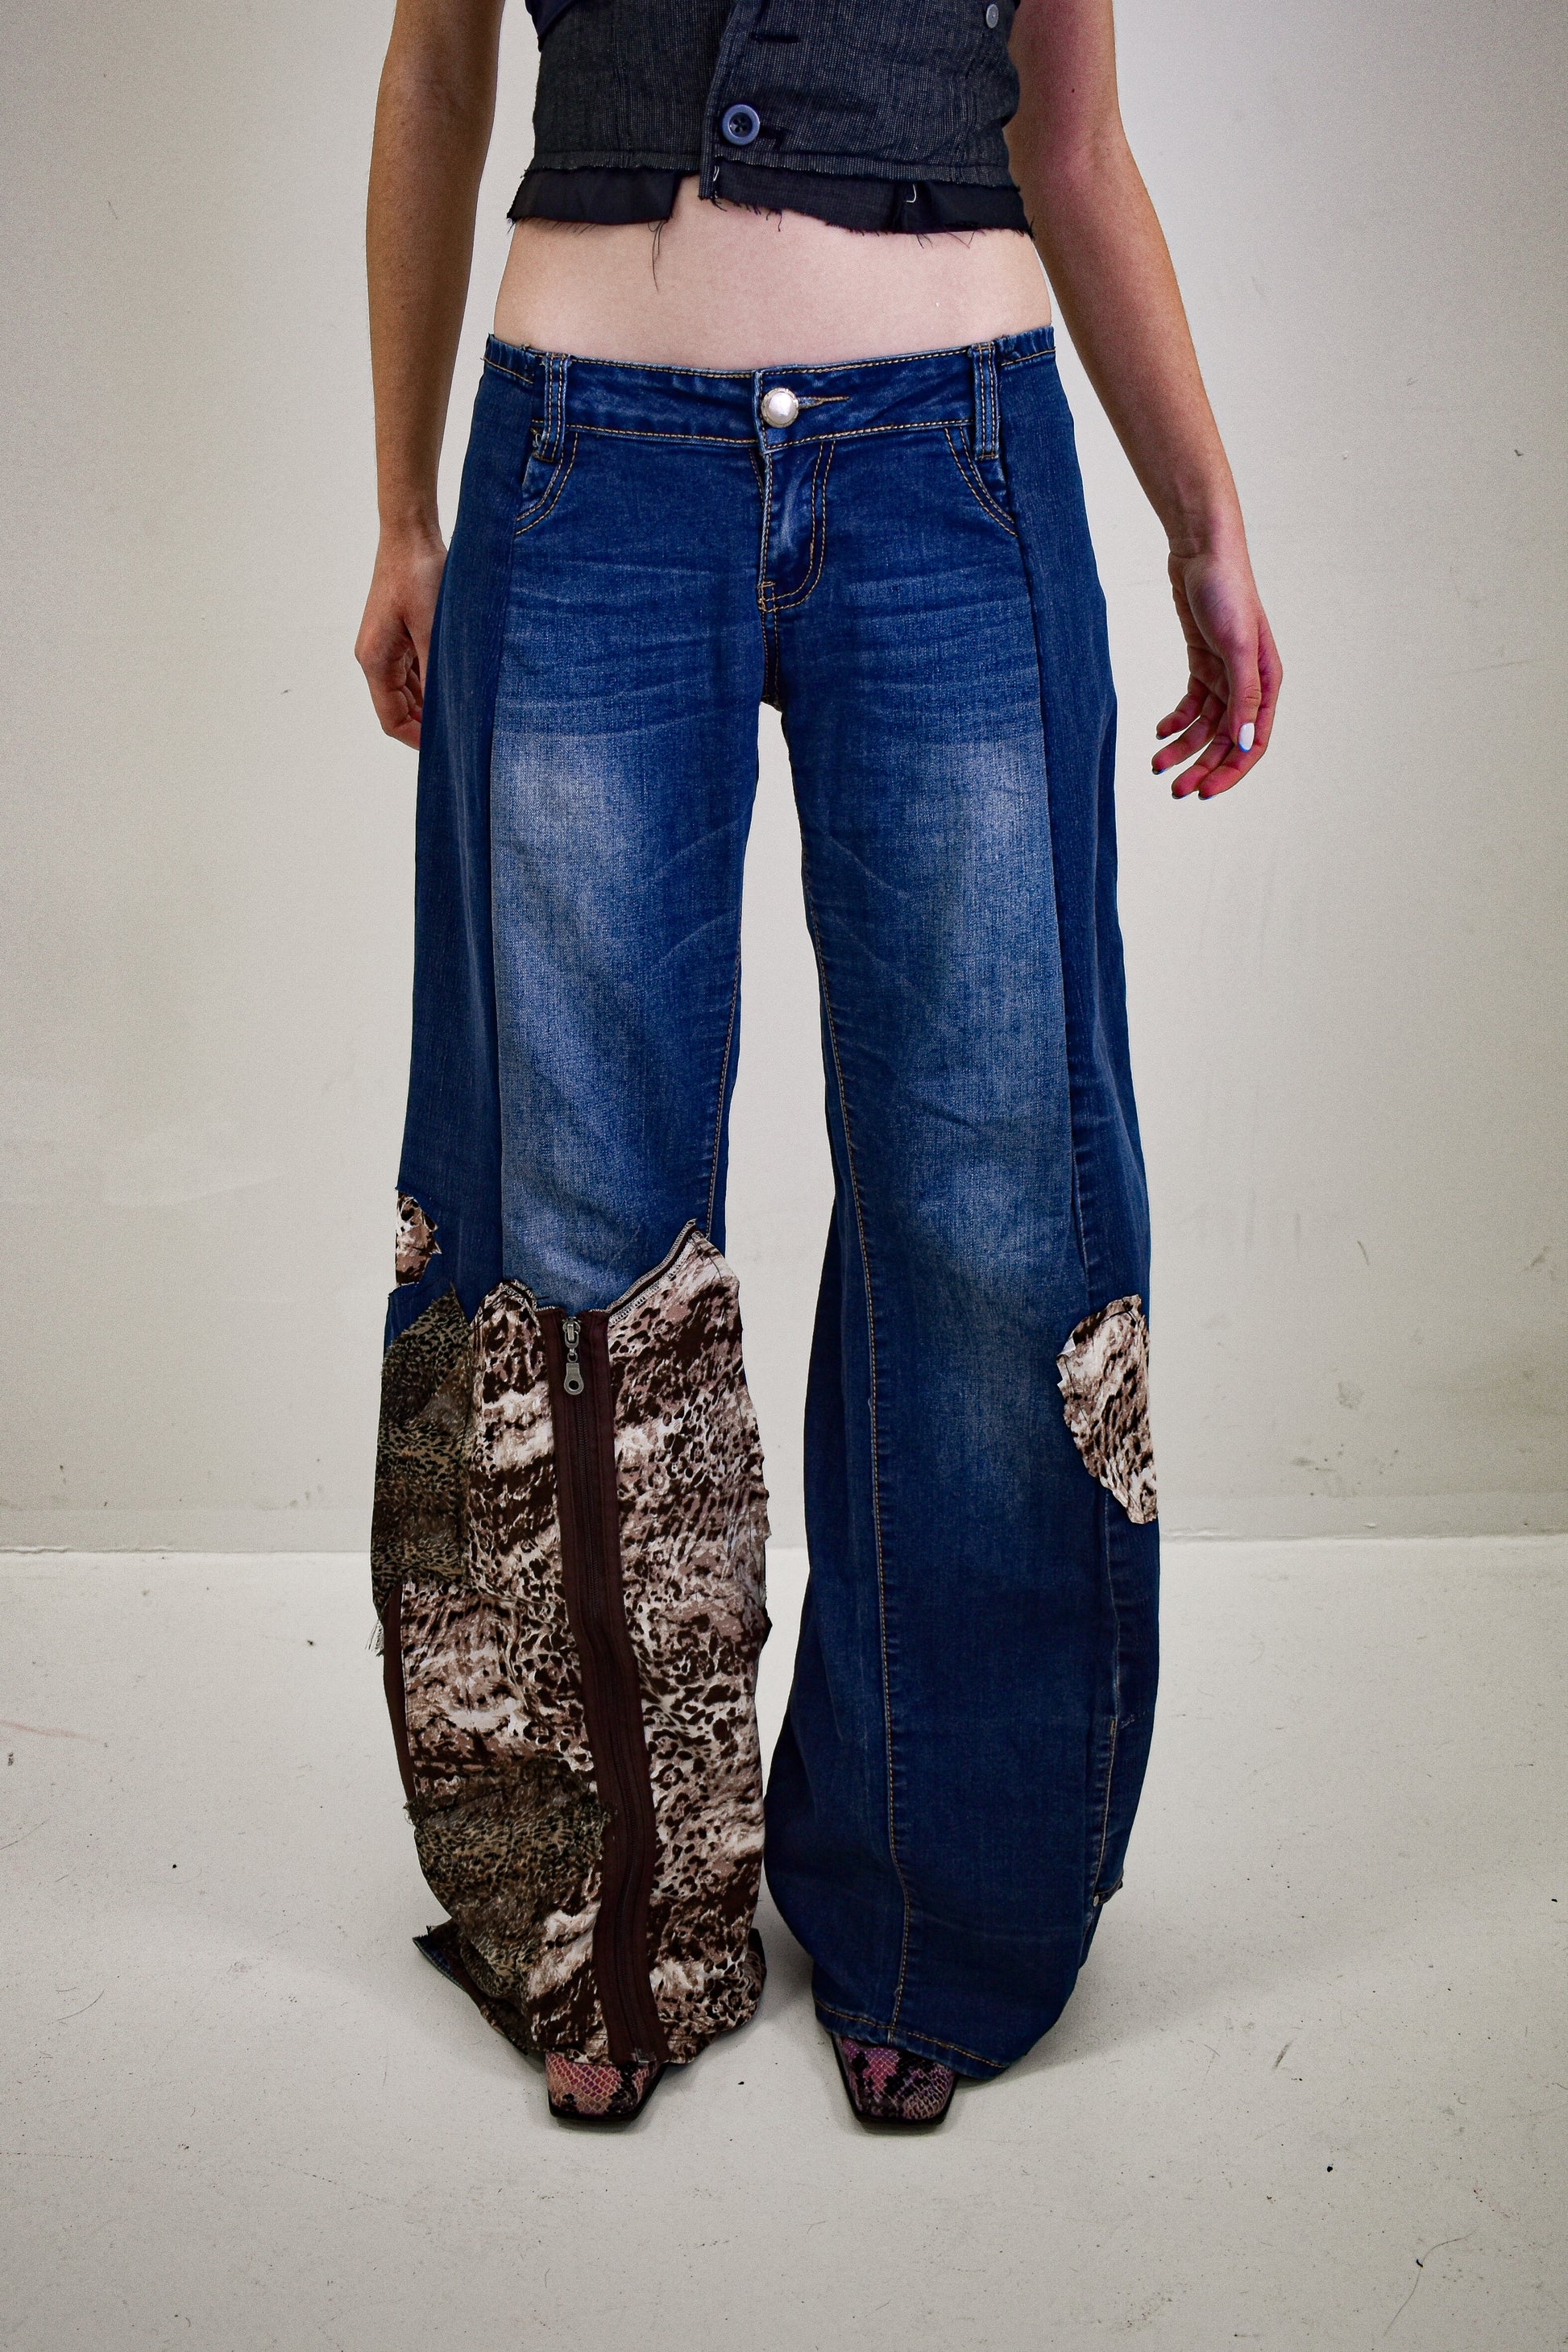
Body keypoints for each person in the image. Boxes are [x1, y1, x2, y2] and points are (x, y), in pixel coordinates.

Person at [357, 0, 1281, 2131]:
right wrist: (403, 507)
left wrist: (1201, 516)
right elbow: (435, 72)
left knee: (992, 1195)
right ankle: (601, 1909)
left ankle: (944, 1909)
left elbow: (1072, 138)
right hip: (582, 456)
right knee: (564, 1200)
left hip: (957, 462)